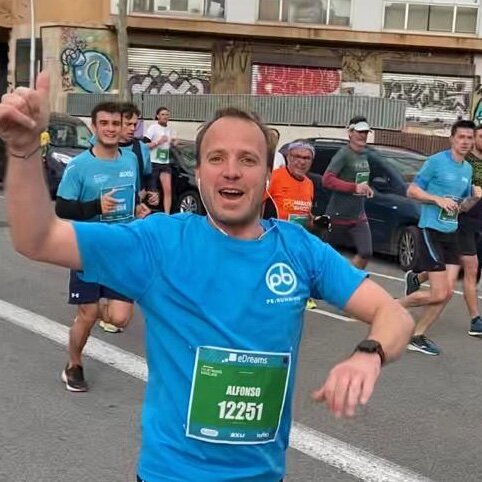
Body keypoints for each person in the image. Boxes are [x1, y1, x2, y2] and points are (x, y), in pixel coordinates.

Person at [0, 72, 414, 482]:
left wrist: (369, 354)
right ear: (199, 173)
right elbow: (37, 238)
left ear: (266, 177)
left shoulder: (300, 250)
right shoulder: (160, 242)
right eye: (217, 158)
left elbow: (393, 315)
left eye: (247, 159)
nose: (231, 171)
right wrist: (22, 151)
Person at [54, 101, 150, 390]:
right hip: (88, 249)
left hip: (121, 249)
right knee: (88, 314)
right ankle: (74, 364)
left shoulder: (130, 160)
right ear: (94, 127)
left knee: (119, 318)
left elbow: (132, 198)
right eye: (104, 123)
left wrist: (139, 209)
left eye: (116, 123)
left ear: (123, 127)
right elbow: (62, 208)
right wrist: (96, 206)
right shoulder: (79, 166)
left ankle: (95, 309)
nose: (110, 129)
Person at [398, 120, 482, 356]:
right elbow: (411, 190)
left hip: (451, 233)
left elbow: (461, 205)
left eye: (469, 138)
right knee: (438, 292)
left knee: (446, 293)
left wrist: (473, 200)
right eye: (461, 137)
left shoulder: (467, 169)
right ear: (452, 139)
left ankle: (417, 335)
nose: (465, 142)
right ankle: (391, 307)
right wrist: (436, 199)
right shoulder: (436, 162)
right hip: (431, 230)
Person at [266, 140, 317, 309]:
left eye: (306, 158)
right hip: (274, 242)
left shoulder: (309, 184)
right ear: (288, 157)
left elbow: (305, 213)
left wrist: (314, 221)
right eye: (297, 156)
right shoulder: (275, 177)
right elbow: (254, 204)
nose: (301, 162)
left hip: (296, 243)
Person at [322, 116, 374, 269]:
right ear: (350, 133)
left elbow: (360, 180)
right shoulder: (343, 154)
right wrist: (354, 187)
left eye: (366, 132)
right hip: (338, 215)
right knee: (327, 256)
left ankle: (350, 280)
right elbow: (327, 180)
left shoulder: (365, 154)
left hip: (358, 214)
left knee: (366, 252)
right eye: (359, 132)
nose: (363, 136)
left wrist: (366, 188)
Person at [145, 106, 177, 214]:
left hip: (165, 163)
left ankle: (167, 214)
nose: (165, 116)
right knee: (152, 192)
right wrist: (158, 142)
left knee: (168, 190)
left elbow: (170, 145)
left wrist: (174, 143)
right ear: (158, 116)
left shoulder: (170, 130)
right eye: (163, 114)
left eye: (167, 114)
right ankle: (147, 213)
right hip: (153, 163)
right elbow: (145, 145)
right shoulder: (153, 128)